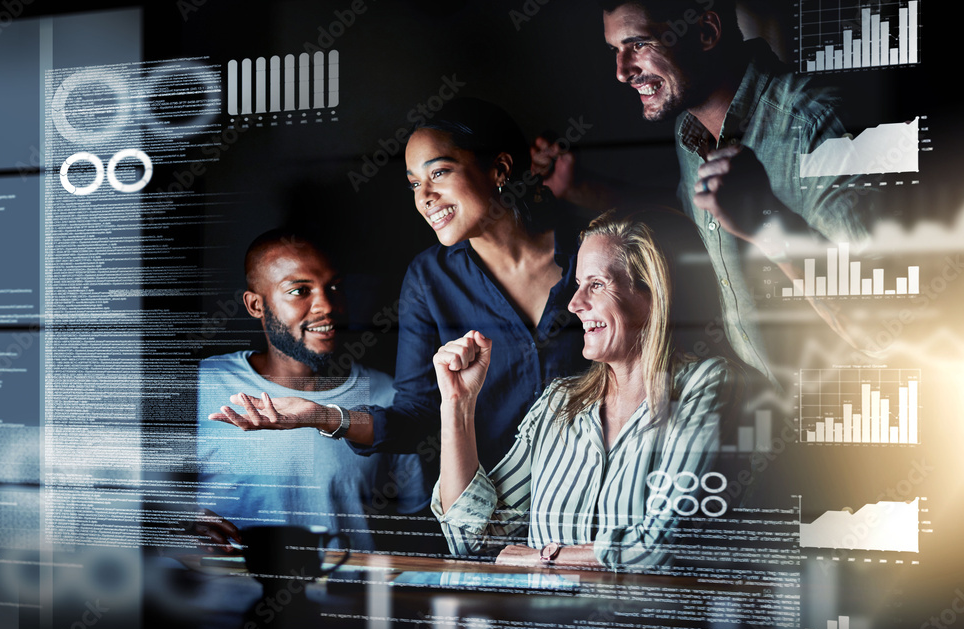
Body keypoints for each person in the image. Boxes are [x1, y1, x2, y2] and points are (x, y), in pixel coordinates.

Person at [211, 99, 588, 475]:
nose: (424, 197)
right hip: (498, 516)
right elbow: (418, 417)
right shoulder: (428, 279)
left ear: (499, 168)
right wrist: (324, 416)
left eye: (438, 173)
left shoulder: (589, 250)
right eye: (413, 184)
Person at [537, 1, 873, 386]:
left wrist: (767, 223)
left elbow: (886, 317)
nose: (622, 71)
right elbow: (692, 222)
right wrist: (582, 190)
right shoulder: (690, 130)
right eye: (616, 50)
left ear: (706, 33)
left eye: (639, 44)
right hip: (772, 407)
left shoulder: (818, 122)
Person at [430, 212, 745, 570]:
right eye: (579, 284)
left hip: (642, 626)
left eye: (596, 284)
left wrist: (542, 558)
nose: (574, 303)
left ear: (651, 293)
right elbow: (473, 539)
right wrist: (457, 404)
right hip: (544, 626)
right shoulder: (558, 403)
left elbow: (658, 548)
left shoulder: (706, 384)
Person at [194, 227, 429, 554]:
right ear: (255, 305)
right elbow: (126, 487)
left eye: (334, 287)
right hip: (227, 600)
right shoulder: (202, 384)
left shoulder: (388, 396)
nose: (326, 306)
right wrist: (175, 517)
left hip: (346, 600)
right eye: (299, 290)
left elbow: (412, 522)